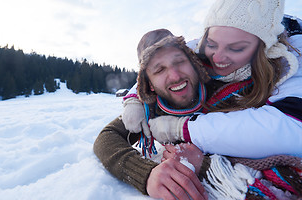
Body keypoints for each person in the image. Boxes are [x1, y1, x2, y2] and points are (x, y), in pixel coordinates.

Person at [93, 28, 302, 199]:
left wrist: (206, 165)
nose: (175, 76)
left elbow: (274, 141)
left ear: (194, 64)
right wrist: (146, 174)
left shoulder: (229, 85)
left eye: (179, 61)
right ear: (150, 85)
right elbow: (107, 137)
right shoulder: (152, 109)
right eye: (159, 70)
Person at [122, 0, 302, 158]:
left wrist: (186, 129)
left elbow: (291, 129)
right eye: (212, 43)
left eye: (237, 48)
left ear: (265, 48)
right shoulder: (201, 46)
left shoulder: (293, 56)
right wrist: (134, 99)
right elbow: (157, 64)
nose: (217, 57)